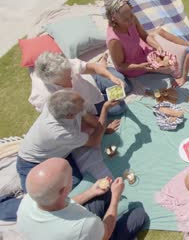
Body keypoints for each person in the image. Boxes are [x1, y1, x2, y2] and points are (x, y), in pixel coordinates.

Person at [17, 157, 149, 240]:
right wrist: (116, 197)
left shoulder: (28, 200)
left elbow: (62, 203)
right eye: (70, 176)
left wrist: (92, 191)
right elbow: (106, 233)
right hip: (98, 234)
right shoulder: (81, 225)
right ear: (63, 190)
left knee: (103, 193)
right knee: (139, 214)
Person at [17, 89, 116, 192]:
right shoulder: (60, 132)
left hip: (58, 153)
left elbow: (86, 116)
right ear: (70, 116)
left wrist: (104, 129)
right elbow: (95, 141)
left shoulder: (56, 102)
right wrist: (105, 109)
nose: (84, 103)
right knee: (58, 191)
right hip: (33, 162)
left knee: (73, 181)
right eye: (81, 104)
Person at [105, 0, 189, 78]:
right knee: (172, 67)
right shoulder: (114, 41)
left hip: (142, 49)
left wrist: (157, 46)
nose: (131, 20)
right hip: (133, 66)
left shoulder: (131, 18)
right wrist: (140, 66)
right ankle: (187, 47)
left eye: (131, 15)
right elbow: (120, 65)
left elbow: (144, 36)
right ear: (114, 19)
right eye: (126, 20)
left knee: (160, 32)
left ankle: (188, 44)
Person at [30, 51, 130, 118]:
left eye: (70, 76)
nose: (71, 83)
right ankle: (103, 68)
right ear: (52, 82)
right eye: (67, 80)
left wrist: (111, 77)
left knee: (125, 85)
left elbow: (93, 68)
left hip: (91, 81)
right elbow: (74, 121)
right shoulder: (46, 98)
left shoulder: (62, 64)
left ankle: (103, 65)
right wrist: (101, 124)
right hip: (87, 108)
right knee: (120, 108)